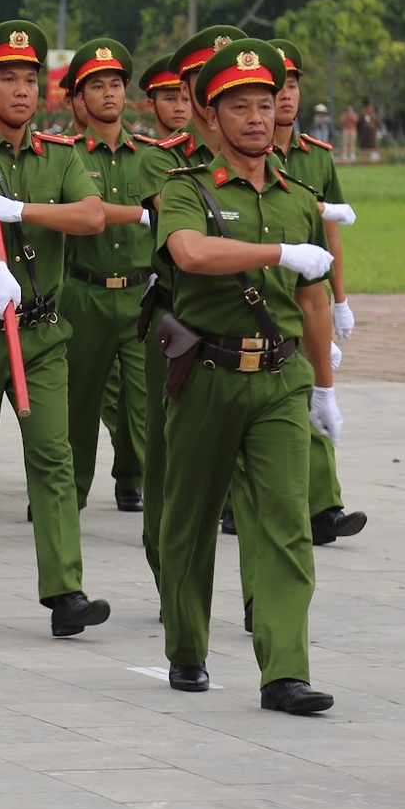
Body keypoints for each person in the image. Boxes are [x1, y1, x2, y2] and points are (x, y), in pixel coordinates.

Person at [152, 38, 340, 715]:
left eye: (266, 103)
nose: (258, 117)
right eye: (240, 105)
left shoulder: (300, 197)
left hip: (280, 379)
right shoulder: (185, 188)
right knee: (191, 519)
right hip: (206, 373)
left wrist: (324, 387)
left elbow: (312, 299)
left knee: (286, 522)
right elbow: (190, 252)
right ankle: (186, 645)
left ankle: (284, 668)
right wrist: (276, 251)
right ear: (209, 114)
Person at [0, 21, 111, 636]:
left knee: (54, 458)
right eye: (7, 79)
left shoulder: (59, 155)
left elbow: (88, 216)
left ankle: (65, 592)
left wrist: (22, 211)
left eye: (30, 79)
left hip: (39, 334)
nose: (22, 90)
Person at [267, 37, 366, 549]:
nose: (285, 98)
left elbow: (332, 235)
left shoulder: (316, 157)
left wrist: (340, 300)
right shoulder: (239, 153)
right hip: (257, 293)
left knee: (316, 394)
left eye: (291, 87)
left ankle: (326, 507)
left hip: (307, 295)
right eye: (275, 88)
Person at [57, 38, 149, 513]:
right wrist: (136, 213)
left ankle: (150, 492)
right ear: (79, 97)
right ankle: (66, 497)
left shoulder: (151, 155)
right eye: (97, 86)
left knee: (146, 402)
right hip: (82, 292)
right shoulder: (66, 154)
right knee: (78, 402)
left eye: (115, 84)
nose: (108, 94)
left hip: (139, 294)